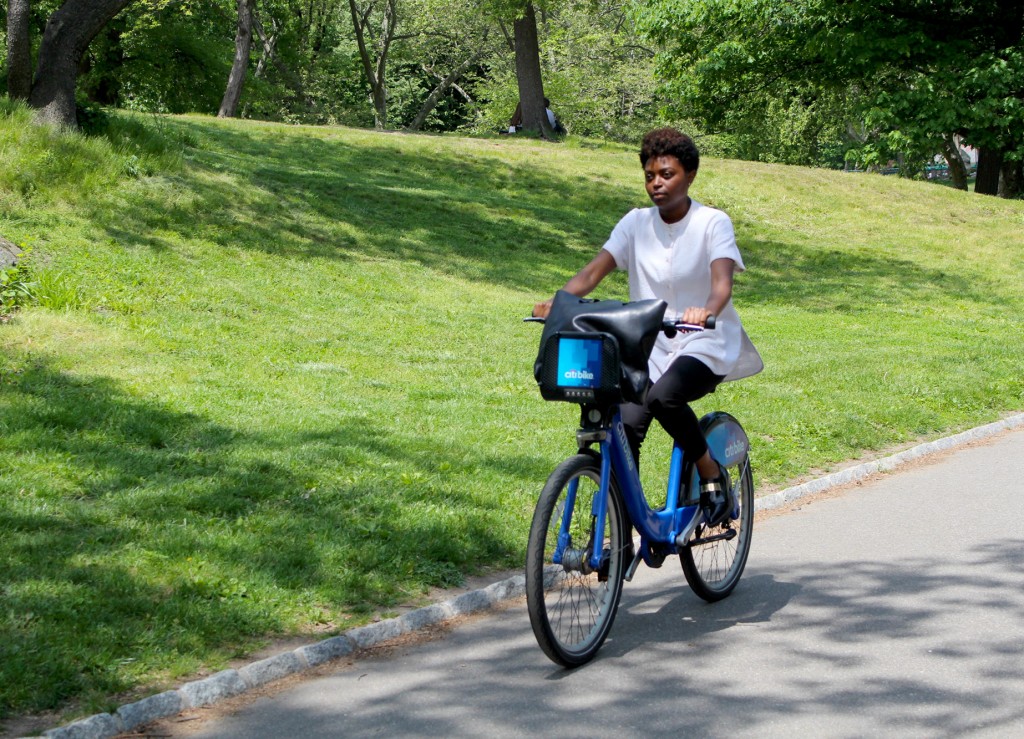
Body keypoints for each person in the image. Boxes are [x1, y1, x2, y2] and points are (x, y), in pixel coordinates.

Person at [533, 127, 761, 525]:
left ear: (689, 175)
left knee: (664, 399)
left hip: (704, 341)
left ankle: (709, 470)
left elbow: (722, 284)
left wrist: (704, 310)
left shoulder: (712, 223)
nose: (657, 183)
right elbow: (592, 274)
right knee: (624, 425)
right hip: (649, 344)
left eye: (667, 174)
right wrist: (559, 303)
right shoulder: (636, 223)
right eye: (650, 175)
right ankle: (625, 525)